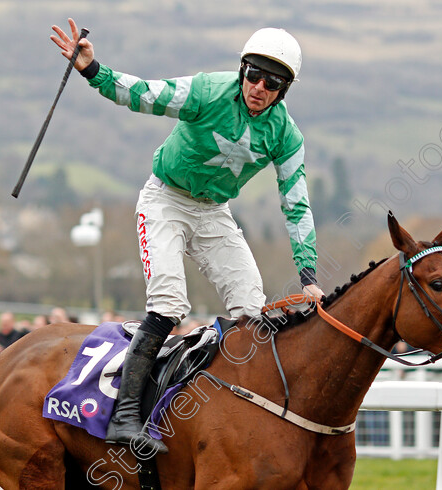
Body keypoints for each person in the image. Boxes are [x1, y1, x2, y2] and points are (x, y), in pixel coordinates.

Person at [50, 19, 325, 454]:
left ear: (284, 91)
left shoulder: (287, 136)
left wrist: (307, 273)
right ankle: (125, 416)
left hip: (214, 212)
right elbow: (142, 94)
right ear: (242, 70)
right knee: (169, 302)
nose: (259, 87)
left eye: (272, 83)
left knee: (252, 311)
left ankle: (233, 414)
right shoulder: (206, 91)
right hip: (165, 201)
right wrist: (92, 69)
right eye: (253, 73)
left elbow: (296, 202)